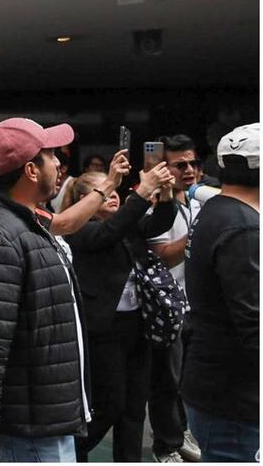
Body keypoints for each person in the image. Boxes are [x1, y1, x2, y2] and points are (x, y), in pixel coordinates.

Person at [0, 117, 87, 462]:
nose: (59, 163)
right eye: (51, 156)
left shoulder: (29, 224)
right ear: (30, 170)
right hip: (26, 437)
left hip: (44, 421)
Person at [62, 164, 177, 462]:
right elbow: (107, 234)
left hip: (136, 324)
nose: (113, 197)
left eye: (115, 191)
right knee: (110, 403)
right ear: (85, 200)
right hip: (103, 328)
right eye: (105, 192)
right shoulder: (78, 228)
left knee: (135, 408)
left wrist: (165, 194)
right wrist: (140, 192)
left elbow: (160, 223)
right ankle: (67, 455)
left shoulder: (125, 224)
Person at [183, 123, 259, 462]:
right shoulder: (243, 226)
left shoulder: (216, 210)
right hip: (234, 399)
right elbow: (254, 323)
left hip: (213, 384)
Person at [147, 134, 203, 463]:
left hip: (198, 302)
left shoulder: (199, 200)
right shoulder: (157, 204)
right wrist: (198, 233)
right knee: (166, 380)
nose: (190, 170)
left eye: (193, 163)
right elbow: (162, 256)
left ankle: (181, 431)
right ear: (164, 168)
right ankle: (165, 446)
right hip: (168, 307)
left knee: (189, 377)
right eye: (180, 164)